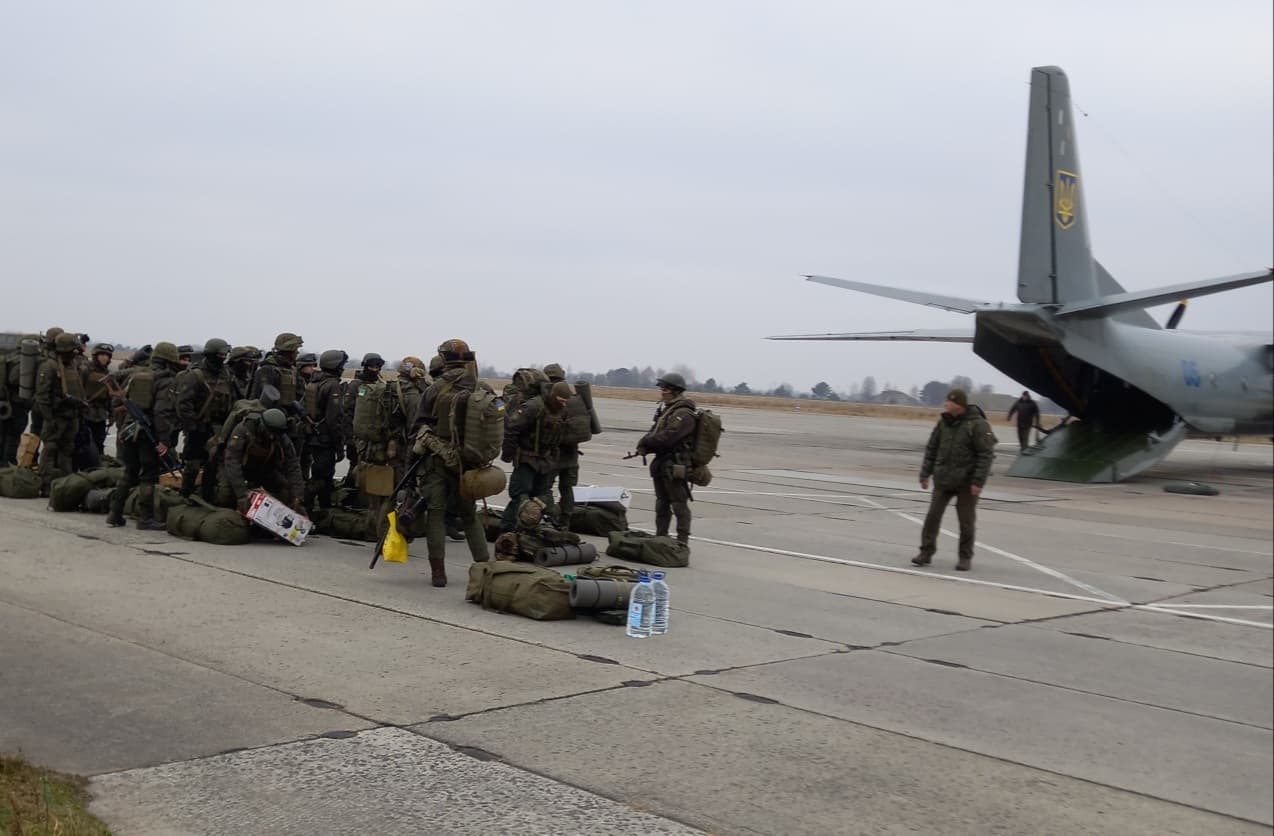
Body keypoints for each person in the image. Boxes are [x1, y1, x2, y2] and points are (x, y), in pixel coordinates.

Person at [409, 339, 492, 587]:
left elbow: (417, 428)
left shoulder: (434, 389)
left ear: (443, 359)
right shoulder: (482, 387)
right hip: (469, 462)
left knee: (435, 514)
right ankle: (485, 567)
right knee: (469, 516)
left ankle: (438, 573)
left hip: (437, 461)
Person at [912, 388, 996, 571]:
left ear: (959, 405)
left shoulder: (978, 425)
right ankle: (925, 553)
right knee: (932, 517)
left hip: (967, 483)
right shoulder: (943, 423)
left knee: (966, 522)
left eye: (949, 402)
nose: (946, 404)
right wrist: (925, 474)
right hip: (943, 480)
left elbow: (986, 455)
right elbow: (932, 449)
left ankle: (965, 557)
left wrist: (978, 482)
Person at [106, 341, 181, 529]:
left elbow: (122, 400)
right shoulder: (165, 381)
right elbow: (161, 412)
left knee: (129, 473)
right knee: (148, 475)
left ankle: (114, 514)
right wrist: (164, 439)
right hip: (149, 434)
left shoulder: (137, 375)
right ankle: (145, 517)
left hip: (131, 430)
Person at [500, 379, 572, 532]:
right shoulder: (534, 406)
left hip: (545, 463)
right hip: (527, 460)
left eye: (566, 402)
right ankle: (506, 533)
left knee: (540, 500)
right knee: (520, 498)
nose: (563, 405)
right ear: (553, 395)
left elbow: (559, 437)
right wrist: (509, 454)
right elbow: (512, 428)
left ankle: (527, 533)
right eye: (560, 401)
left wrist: (553, 458)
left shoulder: (561, 411)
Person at [636, 372, 698, 546]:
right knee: (662, 503)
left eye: (665, 388)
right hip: (662, 464)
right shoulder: (667, 410)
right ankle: (661, 537)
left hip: (676, 465)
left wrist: (647, 442)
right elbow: (656, 431)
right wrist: (644, 445)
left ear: (675, 390)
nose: (662, 392)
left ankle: (682, 542)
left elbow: (668, 437)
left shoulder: (684, 414)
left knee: (679, 505)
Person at [174, 338, 234, 501]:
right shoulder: (195, 375)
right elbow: (183, 404)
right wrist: (192, 426)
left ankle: (206, 497)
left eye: (225, 354)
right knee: (192, 465)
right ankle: (184, 496)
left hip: (218, 427)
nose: (223, 357)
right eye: (221, 354)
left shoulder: (226, 373)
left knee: (212, 466)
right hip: (198, 427)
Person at [215, 407, 305, 513]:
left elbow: (293, 465)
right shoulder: (244, 430)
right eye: (269, 433)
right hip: (237, 468)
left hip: (262, 470)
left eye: (275, 434)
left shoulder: (281, 437)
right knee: (225, 495)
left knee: (287, 492)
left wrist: (298, 496)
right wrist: (242, 495)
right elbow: (232, 461)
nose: (272, 437)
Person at [33, 332, 88, 495]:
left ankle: (64, 484)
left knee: (67, 449)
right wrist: (49, 418)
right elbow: (42, 396)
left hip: (71, 415)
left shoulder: (71, 365)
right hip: (56, 415)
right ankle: (46, 485)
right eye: (72, 350)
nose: (75, 353)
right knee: (49, 448)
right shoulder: (49, 366)